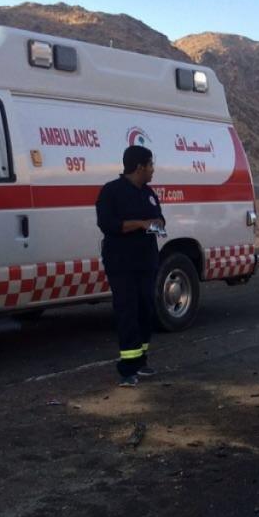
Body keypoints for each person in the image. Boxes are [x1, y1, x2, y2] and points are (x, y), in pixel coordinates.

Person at [96, 145, 165, 386]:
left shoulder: (148, 193)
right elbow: (108, 224)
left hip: (146, 262)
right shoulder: (111, 192)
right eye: (150, 165)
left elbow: (160, 223)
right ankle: (127, 369)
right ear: (139, 167)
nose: (153, 170)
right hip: (121, 264)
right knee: (127, 311)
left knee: (146, 309)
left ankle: (141, 360)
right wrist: (139, 224)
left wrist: (154, 224)